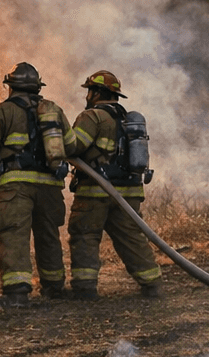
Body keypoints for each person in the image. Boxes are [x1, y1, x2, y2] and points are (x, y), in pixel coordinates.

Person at [0, 63, 76, 304]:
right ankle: (54, 288)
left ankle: (17, 293)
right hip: (50, 188)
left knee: (14, 237)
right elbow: (71, 146)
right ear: (37, 88)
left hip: (16, 188)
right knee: (48, 236)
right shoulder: (55, 111)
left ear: (10, 87)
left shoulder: (3, 112)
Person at [65, 70, 161, 299]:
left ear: (97, 92)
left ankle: (84, 288)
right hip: (130, 192)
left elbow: (74, 147)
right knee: (131, 238)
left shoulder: (92, 117)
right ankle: (152, 284)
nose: (87, 95)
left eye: (89, 90)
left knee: (85, 236)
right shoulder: (128, 119)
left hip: (95, 191)